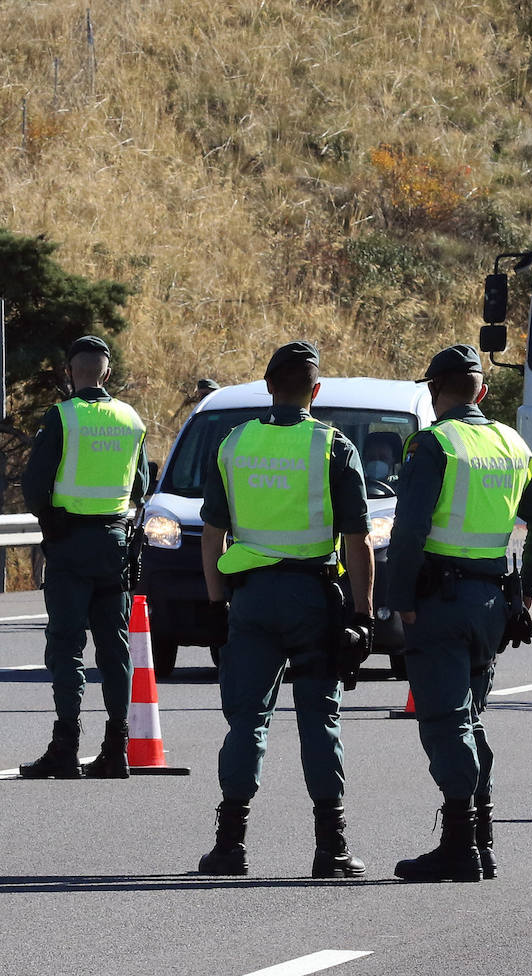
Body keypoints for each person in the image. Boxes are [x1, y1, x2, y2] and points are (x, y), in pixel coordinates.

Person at [197, 340, 373, 878]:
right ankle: (331, 847)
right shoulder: (333, 447)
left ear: (268, 386)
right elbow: (357, 540)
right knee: (320, 720)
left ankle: (229, 846)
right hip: (314, 599)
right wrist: (363, 617)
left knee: (246, 720)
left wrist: (215, 601)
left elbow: (212, 532)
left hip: (250, 597)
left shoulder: (234, 444)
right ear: (315, 390)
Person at [386, 344, 532, 882]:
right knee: (472, 719)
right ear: (481, 391)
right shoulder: (510, 442)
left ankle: (459, 844)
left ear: (435, 391)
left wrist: (401, 599)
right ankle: (481, 839)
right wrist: (523, 592)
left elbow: (409, 530)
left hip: (439, 603)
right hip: (491, 605)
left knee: (445, 721)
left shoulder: (432, 444)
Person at [18, 335, 149, 780]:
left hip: (70, 544)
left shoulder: (63, 417)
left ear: (70, 372)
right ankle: (117, 749)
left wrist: (51, 519)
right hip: (114, 544)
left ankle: (66, 746)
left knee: (66, 645)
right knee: (114, 650)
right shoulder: (131, 418)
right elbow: (141, 484)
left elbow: (35, 484)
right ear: (107, 373)